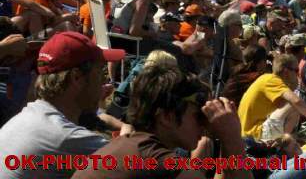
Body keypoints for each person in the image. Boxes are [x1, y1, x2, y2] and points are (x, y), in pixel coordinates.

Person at [71, 66, 251, 179]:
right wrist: (232, 137)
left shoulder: (133, 145)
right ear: (166, 116)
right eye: (199, 116)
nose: (205, 125)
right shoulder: (159, 162)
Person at [0, 32, 125, 179]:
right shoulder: (66, 138)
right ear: (76, 77)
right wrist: (128, 136)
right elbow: (142, 165)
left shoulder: (25, 117)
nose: (104, 83)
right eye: (101, 73)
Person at [237, 53, 306, 141]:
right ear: (286, 71)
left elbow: (281, 104)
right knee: (295, 104)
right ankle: (284, 143)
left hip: (248, 133)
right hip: (256, 133)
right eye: (296, 70)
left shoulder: (267, 79)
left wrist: (293, 85)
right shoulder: (272, 80)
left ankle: (286, 142)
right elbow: (296, 101)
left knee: (294, 105)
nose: (297, 74)